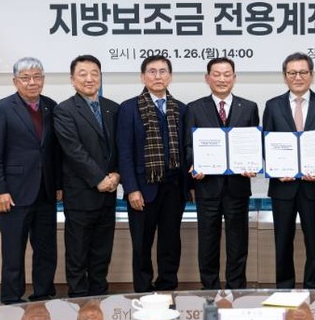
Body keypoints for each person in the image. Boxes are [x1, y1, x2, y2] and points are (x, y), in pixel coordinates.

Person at [0, 57, 61, 305]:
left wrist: (58, 184)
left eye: (37, 77)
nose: (32, 82)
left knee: (46, 250)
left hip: (45, 192)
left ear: (43, 79)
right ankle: (11, 298)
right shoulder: (2, 108)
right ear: (15, 81)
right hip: (14, 194)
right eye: (26, 78)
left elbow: (55, 151)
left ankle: (43, 294)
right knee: (13, 252)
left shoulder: (51, 106)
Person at [262, 52, 315, 289]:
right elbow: (266, 142)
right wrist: (276, 168)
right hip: (282, 187)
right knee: (282, 242)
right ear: (285, 76)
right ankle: (284, 289)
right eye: (292, 73)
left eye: (303, 72)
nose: (298, 77)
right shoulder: (273, 105)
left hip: (314, 186)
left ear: (311, 75)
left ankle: (312, 290)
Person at [186, 57, 259, 289]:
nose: (222, 79)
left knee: (238, 242)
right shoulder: (194, 108)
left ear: (234, 78)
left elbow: (254, 144)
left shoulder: (249, 107)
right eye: (216, 74)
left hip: (238, 187)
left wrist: (253, 163)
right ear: (207, 78)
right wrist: (195, 164)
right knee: (208, 242)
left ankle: (237, 288)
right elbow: (188, 146)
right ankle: (209, 288)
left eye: (227, 74)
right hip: (207, 187)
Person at [117, 55, 188, 293]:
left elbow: (187, 149)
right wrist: (131, 189)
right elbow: (124, 152)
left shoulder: (181, 109)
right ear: (142, 77)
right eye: (152, 71)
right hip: (142, 188)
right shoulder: (129, 108)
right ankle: (143, 288)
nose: (158, 76)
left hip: (173, 187)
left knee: (171, 241)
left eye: (163, 71)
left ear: (170, 76)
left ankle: (167, 285)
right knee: (142, 243)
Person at [54, 54, 120, 298]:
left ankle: (99, 299)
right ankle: (79, 301)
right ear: (72, 80)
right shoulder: (64, 110)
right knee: (78, 253)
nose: (89, 78)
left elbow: (120, 146)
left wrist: (117, 174)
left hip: (109, 193)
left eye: (95, 73)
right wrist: (99, 179)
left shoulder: (113, 108)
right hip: (81, 194)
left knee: (102, 253)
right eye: (83, 74)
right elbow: (73, 150)